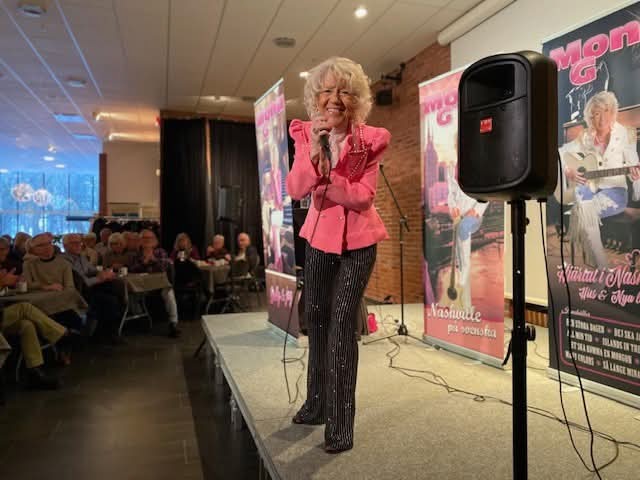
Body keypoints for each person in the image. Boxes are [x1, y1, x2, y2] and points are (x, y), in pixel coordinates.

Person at [286, 57, 390, 453]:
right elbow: (296, 188)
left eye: (345, 91)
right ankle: (316, 405)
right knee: (316, 320)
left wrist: (327, 185)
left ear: (357, 99)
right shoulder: (303, 133)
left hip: (359, 244)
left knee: (343, 325)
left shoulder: (371, 138)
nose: (335, 99)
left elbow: (363, 198)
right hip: (318, 239)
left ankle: (341, 423)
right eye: (327, 91)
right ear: (316, 97)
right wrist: (315, 152)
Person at [561, 91, 640, 268]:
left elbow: (633, 164)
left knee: (583, 211)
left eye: (606, 111)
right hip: (590, 190)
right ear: (590, 117)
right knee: (584, 201)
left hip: (616, 192)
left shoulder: (625, 133)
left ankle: (599, 266)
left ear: (613, 112)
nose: (602, 118)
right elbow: (561, 152)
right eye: (597, 113)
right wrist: (568, 171)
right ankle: (601, 266)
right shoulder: (585, 137)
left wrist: (635, 176)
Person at [61, 234, 126, 343]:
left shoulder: (81, 257)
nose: (78, 245)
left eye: (79, 242)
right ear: (65, 246)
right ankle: (108, 333)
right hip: (78, 292)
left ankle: (108, 329)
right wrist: (99, 278)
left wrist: (103, 273)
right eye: (74, 243)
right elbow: (80, 281)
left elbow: (92, 270)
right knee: (109, 299)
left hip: (91, 288)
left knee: (115, 287)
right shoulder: (64, 261)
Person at [446, 164, 488, 312]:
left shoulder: (478, 168)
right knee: (460, 260)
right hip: (459, 217)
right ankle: (465, 304)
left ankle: (460, 290)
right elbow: (451, 193)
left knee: (464, 259)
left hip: (473, 217)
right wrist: (453, 207)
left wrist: (476, 211)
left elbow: (486, 195)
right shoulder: (451, 168)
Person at [130, 229, 181, 338]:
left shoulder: (160, 252)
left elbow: (164, 267)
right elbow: (132, 270)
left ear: (155, 240)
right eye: (144, 238)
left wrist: (153, 259)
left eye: (150, 238)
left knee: (169, 293)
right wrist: (144, 262)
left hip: (160, 285)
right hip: (142, 286)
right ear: (140, 240)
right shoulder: (136, 254)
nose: (147, 240)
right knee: (130, 293)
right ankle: (140, 319)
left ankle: (173, 323)